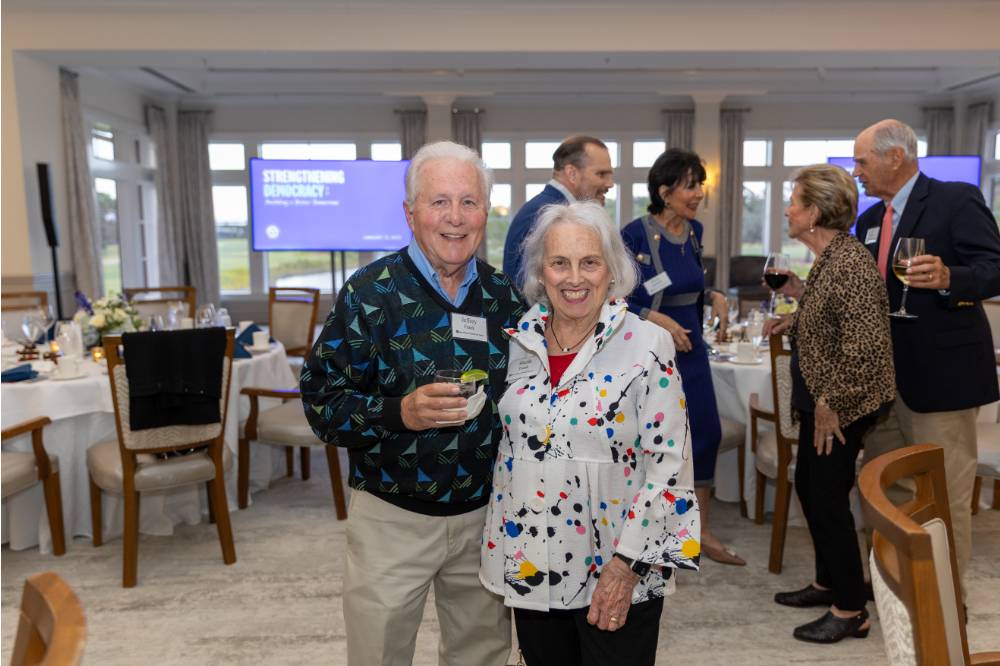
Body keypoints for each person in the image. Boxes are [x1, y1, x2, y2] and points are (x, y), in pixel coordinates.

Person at [301, 141, 525, 666]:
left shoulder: (502, 296)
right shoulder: (368, 293)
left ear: (485, 212)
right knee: (379, 655)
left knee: (483, 656)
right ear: (410, 212)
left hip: (483, 515)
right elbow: (319, 403)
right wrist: (398, 413)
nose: (455, 218)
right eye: (439, 202)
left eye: (469, 202)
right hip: (391, 519)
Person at [480, 202, 700, 666]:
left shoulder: (646, 344)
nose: (573, 278)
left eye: (589, 262)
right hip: (532, 561)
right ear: (541, 271)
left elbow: (671, 467)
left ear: (612, 269)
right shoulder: (520, 339)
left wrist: (626, 570)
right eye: (559, 262)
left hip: (616, 566)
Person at [852, 119, 1000, 598]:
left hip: (943, 380)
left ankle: (944, 607)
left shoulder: (955, 199)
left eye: (861, 160)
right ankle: (898, 592)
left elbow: (994, 269)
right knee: (885, 490)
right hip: (883, 383)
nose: (856, 171)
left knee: (942, 499)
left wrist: (948, 277)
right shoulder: (870, 220)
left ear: (896, 157)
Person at [763, 164, 895, 643]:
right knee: (814, 492)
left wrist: (830, 403)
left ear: (814, 212)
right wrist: (792, 323)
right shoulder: (831, 257)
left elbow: (866, 348)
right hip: (824, 399)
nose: (786, 209)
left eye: (794, 201)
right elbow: (830, 324)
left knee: (826, 499)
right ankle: (828, 582)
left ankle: (849, 609)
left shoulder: (849, 263)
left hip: (842, 405)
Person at [620, 148, 740, 565]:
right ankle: (646, 530)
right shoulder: (633, 235)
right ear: (665, 190)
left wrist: (716, 296)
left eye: (700, 184)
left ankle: (700, 532)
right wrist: (659, 320)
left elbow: (689, 286)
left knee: (706, 434)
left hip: (693, 356)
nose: (700, 194)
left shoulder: (693, 231)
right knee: (651, 442)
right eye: (692, 185)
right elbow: (615, 300)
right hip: (650, 357)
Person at [502, 135, 614, 283]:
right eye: (601, 174)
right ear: (572, 173)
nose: (610, 183)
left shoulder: (550, 209)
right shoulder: (544, 214)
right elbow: (527, 288)